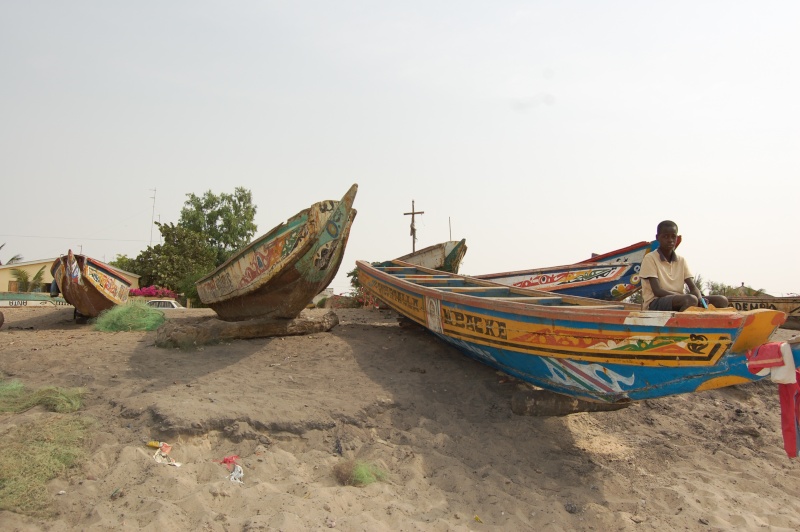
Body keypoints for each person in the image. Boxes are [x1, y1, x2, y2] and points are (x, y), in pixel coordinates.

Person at [640, 220, 729, 311]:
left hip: (679, 299)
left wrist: (700, 299)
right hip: (656, 302)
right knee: (689, 299)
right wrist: (686, 297)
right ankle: (681, 324)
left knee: (722, 300)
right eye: (665, 236)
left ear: (677, 238)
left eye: (673, 237)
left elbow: (693, 288)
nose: (670, 240)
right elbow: (657, 291)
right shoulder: (650, 258)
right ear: (657, 237)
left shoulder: (681, 260)